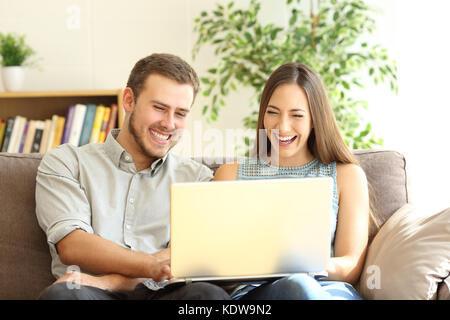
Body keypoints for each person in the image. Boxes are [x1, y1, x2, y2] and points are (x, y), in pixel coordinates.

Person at [36, 53, 231, 300]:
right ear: (129, 100)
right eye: (159, 108)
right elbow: (74, 245)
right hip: (90, 293)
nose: (169, 123)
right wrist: (152, 264)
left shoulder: (198, 179)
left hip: (166, 295)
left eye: (181, 113)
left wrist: (113, 281)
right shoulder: (67, 162)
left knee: (208, 296)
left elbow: (194, 259)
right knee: (62, 296)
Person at [214, 62, 372, 300]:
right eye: (273, 113)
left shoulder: (346, 175)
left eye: (296, 115)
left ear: (315, 119)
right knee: (295, 287)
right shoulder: (230, 175)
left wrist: (298, 265)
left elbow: (349, 266)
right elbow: (211, 262)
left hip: (325, 290)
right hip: (256, 295)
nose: (282, 127)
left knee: (300, 286)